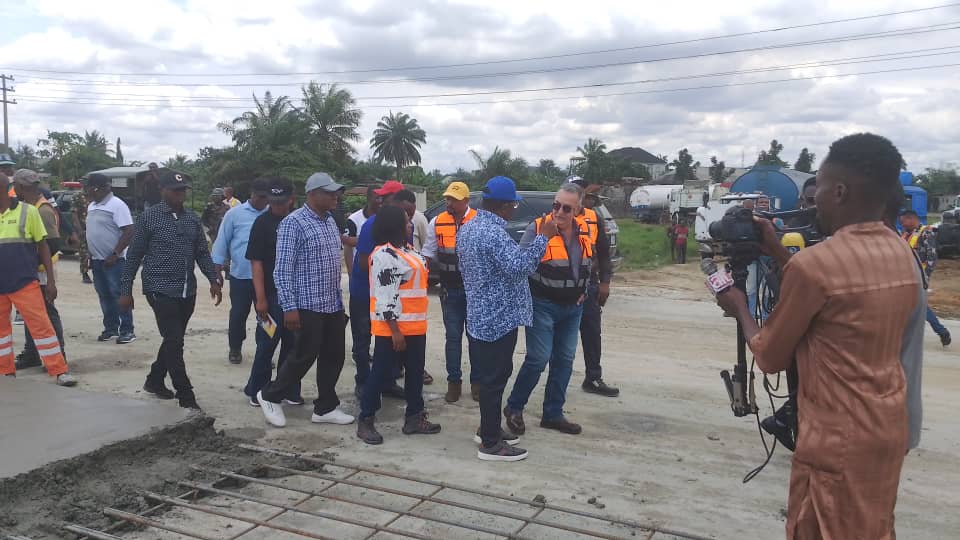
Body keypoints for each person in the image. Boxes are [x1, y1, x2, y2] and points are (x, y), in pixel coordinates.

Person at [715, 133, 918, 539]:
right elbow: (837, 292)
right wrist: (778, 251)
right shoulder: (901, 253)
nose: (814, 199)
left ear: (839, 192)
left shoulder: (816, 265)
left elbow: (770, 356)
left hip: (835, 439)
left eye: (819, 188)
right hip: (886, 425)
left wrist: (739, 307)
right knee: (872, 528)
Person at [458, 176, 557, 461]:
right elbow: (520, 267)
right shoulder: (493, 233)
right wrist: (543, 237)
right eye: (513, 205)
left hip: (480, 316)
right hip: (497, 319)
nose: (514, 209)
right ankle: (491, 445)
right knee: (494, 380)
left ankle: (487, 429)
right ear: (503, 206)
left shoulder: (469, 228)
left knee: (491, 378)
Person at [256, 172, 354, 428]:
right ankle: (270, 395)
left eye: (336, 193)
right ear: (312, 194)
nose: (335, 197)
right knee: (303, 356)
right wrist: (289, 307)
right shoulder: (293, 223)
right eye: (329, 193)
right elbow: (282, 270)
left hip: (331, 302)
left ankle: (325, 407)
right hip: (306, 304)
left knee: (334, 356)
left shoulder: (330, 220)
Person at [120, 169, 223, 410]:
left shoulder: (192, 219)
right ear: (163, 190)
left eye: (183, 191)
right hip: (159, 288)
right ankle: (186, 396)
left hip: (187, 290)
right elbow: (133, 256)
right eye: (175, 191)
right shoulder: (149, 218)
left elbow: (201, 252)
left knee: (172, 340)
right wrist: (125, 291)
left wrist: (213, 279)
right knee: (175, 341)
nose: (180, 195)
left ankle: (154, 380)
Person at [505, 183, 593, 437]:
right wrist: (543, 237)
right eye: (556, 205)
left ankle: (553, 414)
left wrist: (585, 289)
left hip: (573, 308)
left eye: (567, 208)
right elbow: (520, 265)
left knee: (564, 360)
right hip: (543, 305)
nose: (559, 212)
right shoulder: (537, 228)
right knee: (538, 359)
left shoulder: (584, 229)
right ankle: (514, 407)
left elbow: (587, 262)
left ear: (578, 210)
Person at [356, 205, 441, 444]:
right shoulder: (384, 255)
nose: (410, 225)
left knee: (415, 373)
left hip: (414, 326)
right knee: (380, 373)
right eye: (406, 222)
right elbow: (386, 296)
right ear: (394, 226)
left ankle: (414, 417)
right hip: (393, 329)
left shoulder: (408, 250)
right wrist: (395, 332)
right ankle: (366, 419)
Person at [0, 172, 76, 386]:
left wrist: (50, 281)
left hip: (24, 283)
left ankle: (59, 371)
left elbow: (43, 246)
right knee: (1, 333)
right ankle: (6, 372)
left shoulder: (29, 212)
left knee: (42, 326)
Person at [352, 182, 427, 395]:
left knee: (392, 351)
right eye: (407, 211)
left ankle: (388, 383)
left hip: (393, 300)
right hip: (368, 292)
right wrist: (390, 273)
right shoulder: (374, 226)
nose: (410, 218)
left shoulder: (403, 227)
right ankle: (364, 383)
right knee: (365, 340)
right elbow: (365, 262)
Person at [243, 177, 302, 407]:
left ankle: (288, 389)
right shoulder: (262, 223)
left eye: (281, 202)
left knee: (294, 345)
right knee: (266, 344)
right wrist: (260, 299)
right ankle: (257, 389)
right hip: (269, 295)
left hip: (295, 296)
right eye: (273, 201)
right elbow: (256, 263)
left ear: (291, 200)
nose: (276, 206)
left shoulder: (297, 221)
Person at [421, 181, 479, 403]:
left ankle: (477, 384)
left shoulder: (478, 221)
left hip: (475, 292)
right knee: (453, 338)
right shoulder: (437, 221)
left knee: (476, 339)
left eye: (454, 200)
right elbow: (428, 254)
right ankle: (454, 383)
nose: (449, 203)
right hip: (449, 291)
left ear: (466, 201)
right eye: (447, 199)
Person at [11, 170, 68, 371]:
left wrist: (30, 263)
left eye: (14, 186)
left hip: (42, 272)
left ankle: (59, 355)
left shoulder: (42, 210)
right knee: (30, 313)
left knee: (47, 313)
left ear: (21, 187)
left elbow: (52, 244)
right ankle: (32, 354)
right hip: (32, 271)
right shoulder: (29, 207)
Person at [567, 178, 619, 397]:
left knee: (591, 332)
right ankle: (557, 379)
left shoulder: (594, 218)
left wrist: (605, 283)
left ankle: (593, 378)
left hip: (589, 284)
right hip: (562, 286)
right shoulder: (558, 216)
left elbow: (604, 254)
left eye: (583, 194)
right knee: (560, 337)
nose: (582, 198)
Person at [213, 178, 269, 365]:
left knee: (266, 317)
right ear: (252, 194)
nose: (263, 201)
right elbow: (222, 242)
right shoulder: (234, 214)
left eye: (266, 197)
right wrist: (217, 270)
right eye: (260, 196)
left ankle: (265, 351)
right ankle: (235, 347)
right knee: (238, 314)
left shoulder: (272, 213)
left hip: (267, 277)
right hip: (241, 276)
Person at [84, 173, 136, 344]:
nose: (86, 191)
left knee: (119, 294)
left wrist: (115, 253)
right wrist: (90, 254)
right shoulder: (92, 206)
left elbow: (129, 230)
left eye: (88, 188)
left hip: (115, 261)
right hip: (98, 260)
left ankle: (127, 330)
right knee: (104, 295)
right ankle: (111, 328)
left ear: (96, 188)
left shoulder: (117, 205)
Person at [900, 210, 951, 347]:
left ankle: (941, 331)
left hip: (918, 277)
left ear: (911, 219)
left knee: (917, 306)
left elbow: (932, 257)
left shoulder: (926, 232)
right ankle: (941, 331)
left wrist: (925, 277)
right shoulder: (905, 234)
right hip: (905, 277)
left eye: (903, 222)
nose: (902, 225)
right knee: (912, 306)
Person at [345, 186, 381, 274]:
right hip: (360, 270)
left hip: (379, 270)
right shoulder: (353, 219)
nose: (380, 201)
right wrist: (350, 272)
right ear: (368, 198)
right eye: (377, 198)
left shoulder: (385, 218)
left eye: (382, 198)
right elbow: (348, 247)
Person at [72, 188, 93, 284]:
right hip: (83, 229)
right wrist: (79, 229)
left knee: (95, 252)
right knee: (84, 253)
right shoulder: (78, 196)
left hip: (94, 228)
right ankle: (85, 274)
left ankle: (96, 272)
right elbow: (74, 214)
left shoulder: (95, 194)